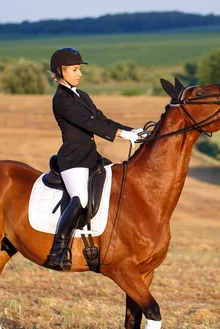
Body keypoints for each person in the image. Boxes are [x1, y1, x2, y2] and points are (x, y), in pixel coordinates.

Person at [46, 47, 142, 270]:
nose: (79, 74)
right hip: (73, 159)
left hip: (91, 158)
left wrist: (133, 131)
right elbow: (89, 124)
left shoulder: (83, 96)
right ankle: (58, 251)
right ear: (60, 71)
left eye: (80, 69)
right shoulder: (61, 99)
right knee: (80, 198)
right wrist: (121, 135)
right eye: (74, 69)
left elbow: (102, 120)